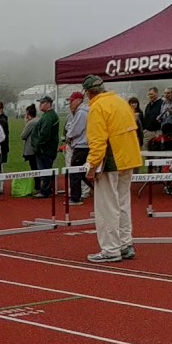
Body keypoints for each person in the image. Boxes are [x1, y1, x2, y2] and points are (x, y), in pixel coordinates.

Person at [79, 75, 142, 263]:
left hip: (111, 161)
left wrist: (91, 166)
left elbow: (98, 142)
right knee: (123, 203)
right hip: (128, 158)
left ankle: (110, 249)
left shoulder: (97, 107)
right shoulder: (121, 102)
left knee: (107, 206)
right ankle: (125, 244)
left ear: (89, 92)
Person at [64, 91, 90, 204]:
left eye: (71, 101)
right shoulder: (81, 112)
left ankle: (75, 197)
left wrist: (68, 136)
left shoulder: (81, 113)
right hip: (83, 145)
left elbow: (75, 130)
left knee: (75, 172)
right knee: (83, 173)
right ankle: (92, 189)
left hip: (81, 146)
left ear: (79, 100)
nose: (70, 103)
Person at [32, 96, 59, 198]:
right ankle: (46, 189)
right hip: (47, 148)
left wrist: (38, 146)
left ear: (48, 104)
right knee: (45, 169)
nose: (40, 105)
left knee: (45, 170)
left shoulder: (48, 117)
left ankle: (45, 191)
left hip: (45, 149)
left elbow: (45, 135)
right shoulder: (48, 116)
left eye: (42, 103)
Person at [20, 104, 39, 171]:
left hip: (31, 150)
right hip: (38, 149)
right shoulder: (39, 120)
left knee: (34, 169)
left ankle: (37, 181)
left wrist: (26, 123)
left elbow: (23, 136)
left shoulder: (31, 123)